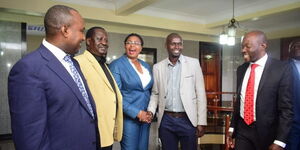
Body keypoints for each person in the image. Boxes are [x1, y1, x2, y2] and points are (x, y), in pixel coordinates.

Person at [7, 5, 100, 150]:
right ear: (65, 30)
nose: (83, 37)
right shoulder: (28, 69)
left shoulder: (73, 63)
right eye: (81, 30)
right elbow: (29, 137)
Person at [227, 31, 293, 150]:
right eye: (242, 46)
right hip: (243, 129)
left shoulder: (281, 69)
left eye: (247, 46)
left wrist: (280, 141)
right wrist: (232, 127)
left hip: (267, 133)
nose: (243, 50)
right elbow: (240, 100)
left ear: (263, 46)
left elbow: (286, 109)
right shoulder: (241, 69)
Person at [147, 33, 207, 150]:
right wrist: (150, 111)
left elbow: (200, 94)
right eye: (173, 44)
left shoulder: (193, 64)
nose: (177, 47)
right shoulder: (157, 67)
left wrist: (201, 121)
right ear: (166, 45)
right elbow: (155, 93)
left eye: (179, 44)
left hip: (188, 119)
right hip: (166, 120)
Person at [75, 27, 123, 150]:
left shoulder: (104, 65)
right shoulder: (78, 62)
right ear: (89, 41)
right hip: (91, 132)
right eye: (99, 39)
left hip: (105, 130)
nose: (104, 43)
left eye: (106, 40)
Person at [109, 33, 153, 150]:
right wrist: (137, 113)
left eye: (136, 43)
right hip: (128, 118)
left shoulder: (146, 66)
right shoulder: (116, 65)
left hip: (146, 117)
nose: (132, 46)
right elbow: (116, 96)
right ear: (124, 46)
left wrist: (149, 112)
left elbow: (149, 90)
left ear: (141, 48)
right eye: (129, 42)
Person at [286, 39, 300, 150]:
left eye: (299, 46)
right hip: (292, 118)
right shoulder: (283, 67)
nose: (296, 48)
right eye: (293, 46)